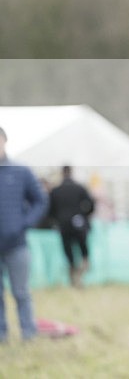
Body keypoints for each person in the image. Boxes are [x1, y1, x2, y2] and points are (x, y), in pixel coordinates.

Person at [0, 126, 49, 342]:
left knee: (21, 292)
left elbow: (40, 200)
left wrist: (24, 223)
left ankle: (28, 334)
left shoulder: (21, 171)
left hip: (16, 244)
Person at [48, 165, 95, 288]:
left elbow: (50, 210)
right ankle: (79, 278)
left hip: (63, 226)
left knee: (69, 253)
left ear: (62, 173)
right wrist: (84, 215)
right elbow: (91, 204)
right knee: (84, 252)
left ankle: (74, 278)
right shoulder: (79, 188)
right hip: (79, 225)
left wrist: (57, 220)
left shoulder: (56, 190)